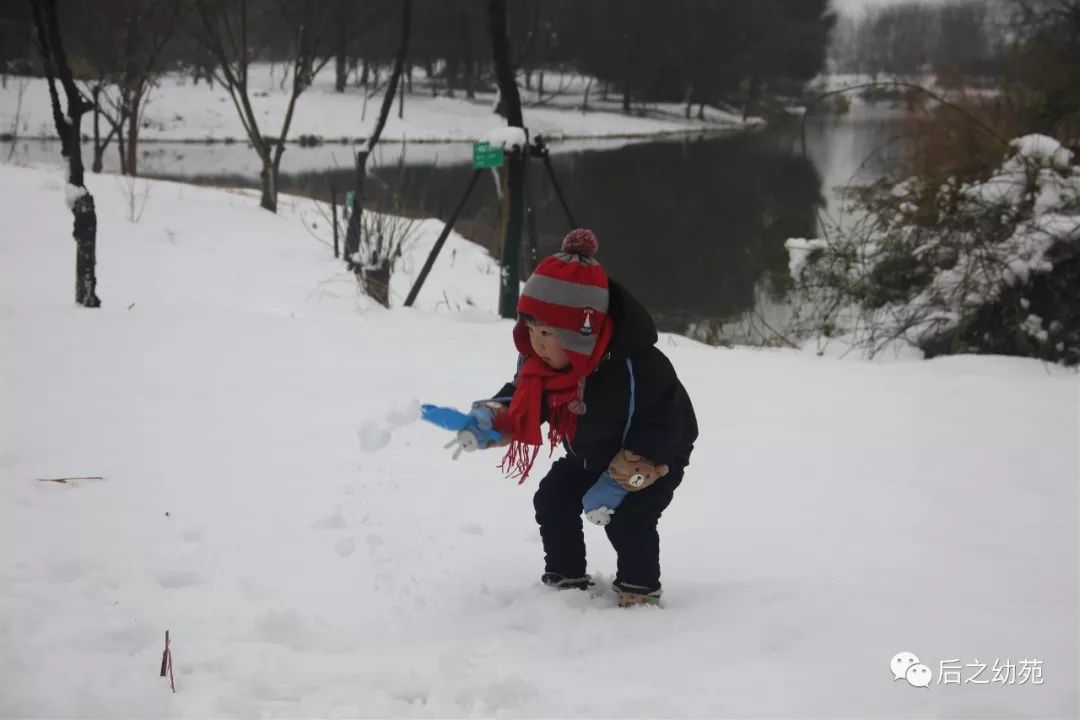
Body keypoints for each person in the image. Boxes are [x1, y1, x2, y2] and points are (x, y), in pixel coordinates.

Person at [458, 228, 698, 607]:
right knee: (553, 498)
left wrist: (620, 482)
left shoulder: (638, 366)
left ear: (581, 333)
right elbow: (526, 395)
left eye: (549, 332)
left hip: (655, 456)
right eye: (531, 328)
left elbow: (666, 427)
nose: (536, 341)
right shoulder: (544, 364)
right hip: (589, 452)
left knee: (628, 520)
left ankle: (638, 592)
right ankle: (565, 577)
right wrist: (496, 417)